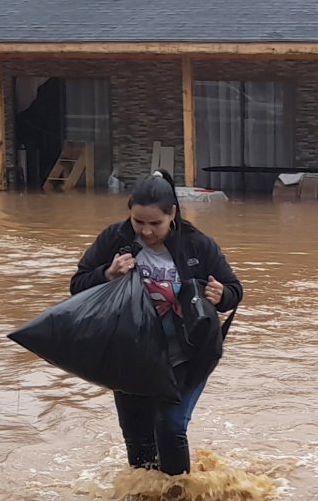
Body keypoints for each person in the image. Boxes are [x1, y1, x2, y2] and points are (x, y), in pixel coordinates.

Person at [70, 170, 243, 478]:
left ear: (172, 214)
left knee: (170, 427)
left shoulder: (197, 245)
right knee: (137, 439)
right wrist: (107, 275)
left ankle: (178, 496)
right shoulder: (115, 239)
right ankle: (144, 496)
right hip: (129, 354)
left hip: (187, 356)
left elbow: (234, 290)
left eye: (155, 223)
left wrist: (221, 295)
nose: (147, 232)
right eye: (139, 222)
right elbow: (78, 285)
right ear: (129, 214)